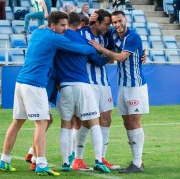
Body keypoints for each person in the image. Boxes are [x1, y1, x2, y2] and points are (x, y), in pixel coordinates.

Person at [0, 11, 98, 176]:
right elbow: (79, 49)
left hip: (21, 82)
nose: (65, 29)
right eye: (62, 25)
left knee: (18, 122)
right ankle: (41, 163)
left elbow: (42, 31)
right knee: (42, 122)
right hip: (34, 84)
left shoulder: (39, 31)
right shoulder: (54, 37)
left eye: (66, 25)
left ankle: (5, 160)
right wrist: (95, 48)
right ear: (53, 25)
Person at [89, 10, 149, 173]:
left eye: (119, 21)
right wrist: (90, 19)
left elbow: (121, 57)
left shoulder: (133, 37)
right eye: (114, 22)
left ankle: (137, 163)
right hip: (123, 85)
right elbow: (97, 27)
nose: (117, 25)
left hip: (136, 86)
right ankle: (136, 162)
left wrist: (101, 48)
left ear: (126, 20)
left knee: (135, 122)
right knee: (126, 123)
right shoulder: (113, 34)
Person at [55, 11, 112, 173]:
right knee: (95, 123)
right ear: (79, 24)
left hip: (65, 86)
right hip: (83, 85)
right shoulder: (84, 40)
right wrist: (106, 57)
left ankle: (66, 162)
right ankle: (98, 160)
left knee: (66, 125)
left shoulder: (56, 38)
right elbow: (97, 60)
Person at [72, 9, 120, 171]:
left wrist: (104, 52)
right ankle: (77, 159)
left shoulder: (105, 36)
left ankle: (102, 158)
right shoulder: (82, 34)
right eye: (106, 24)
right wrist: (107, 56)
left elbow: (112, 52)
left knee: (106, 118)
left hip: (103, 82)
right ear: (97, 22)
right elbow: (98, 61)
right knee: (85, 121)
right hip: (88, 83)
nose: (109, 27)